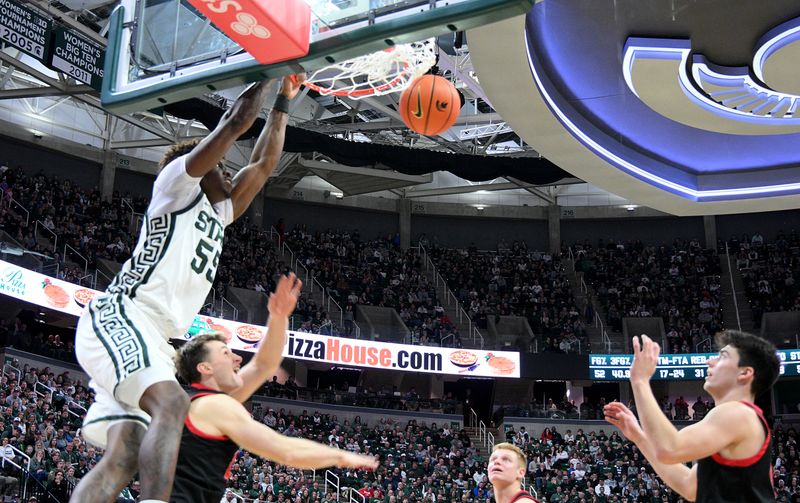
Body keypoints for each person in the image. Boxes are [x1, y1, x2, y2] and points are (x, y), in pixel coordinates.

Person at [71, 74, 305, 503]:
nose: (230, 172)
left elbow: (264, 164)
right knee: (174, 406)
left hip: (156, 340)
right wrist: (270, 70)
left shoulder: (219, 213)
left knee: (123, 458)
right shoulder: (175, 186)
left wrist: (285, 101)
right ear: (200, 167)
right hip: (124, 314)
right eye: (221, 167)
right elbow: (234, 123)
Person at [171, 273, 378, 503]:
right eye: (226, 353)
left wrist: (278, 317)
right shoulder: (215, 406)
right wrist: (340, 456)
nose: (238, 359)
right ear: (205, 368)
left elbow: (264, 364)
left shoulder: (211, 400)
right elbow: (287, 451)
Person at [604, 330, 780, 502]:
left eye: (722, 356)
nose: (710, 361)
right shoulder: (733, 420)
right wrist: (638, 436)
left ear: (745, 373)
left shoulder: (738, 413)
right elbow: (690, 487)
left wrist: (640, 380)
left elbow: (669, 448)